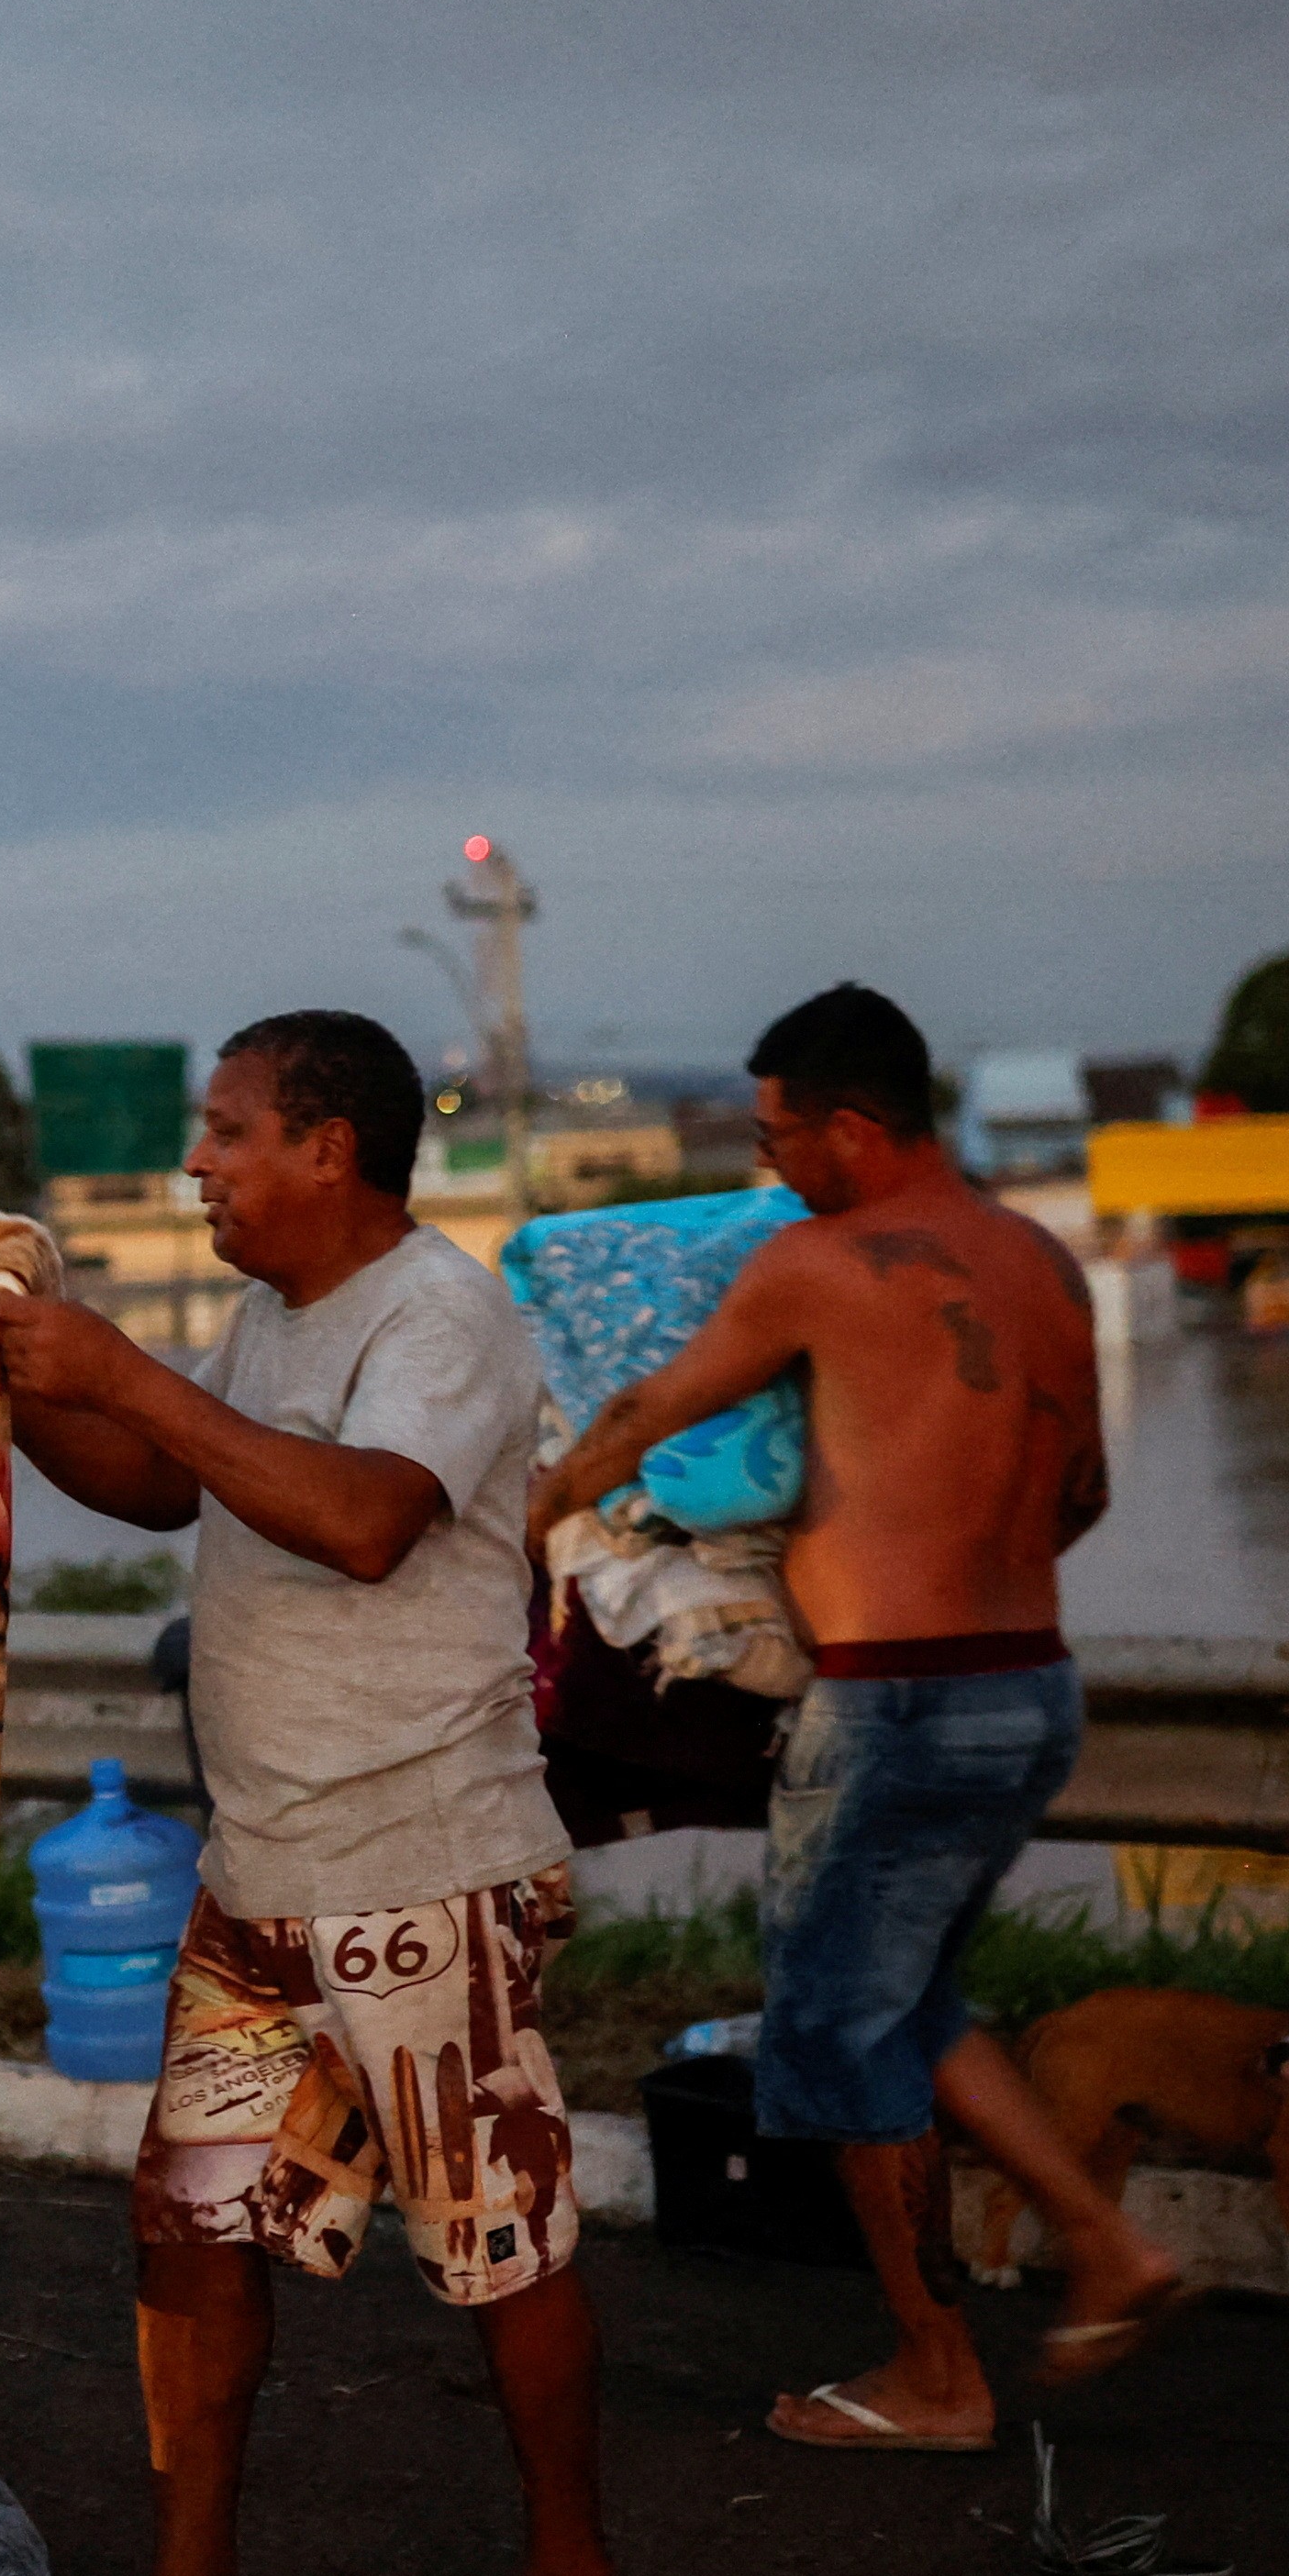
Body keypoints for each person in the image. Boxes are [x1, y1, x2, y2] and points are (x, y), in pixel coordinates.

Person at [0, 1007, 633, 2576]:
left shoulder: (446, 1313)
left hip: (428, 1856)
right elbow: (160, 1487)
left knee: (496, 2241)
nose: (197, 1162)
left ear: (327, 1148)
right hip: (264, 1868)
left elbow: (361, 1520)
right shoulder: (267, 1318)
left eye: (226, 1130)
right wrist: (18, 1383)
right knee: (189, 2232)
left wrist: (124, 1369)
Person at [524, 982, 1179, 2449]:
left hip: (897, 1707)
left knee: (829, 2035)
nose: (772, 1170)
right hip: (1031, 1689)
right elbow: (1085, 1494)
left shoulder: (820, 1265)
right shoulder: (1043, 1262)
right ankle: (1106, 2243)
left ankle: (937, 2374)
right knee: (910, 2000)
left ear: (855, 1129)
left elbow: (649, 1414)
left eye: (780, 1139)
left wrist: (536, 1514)